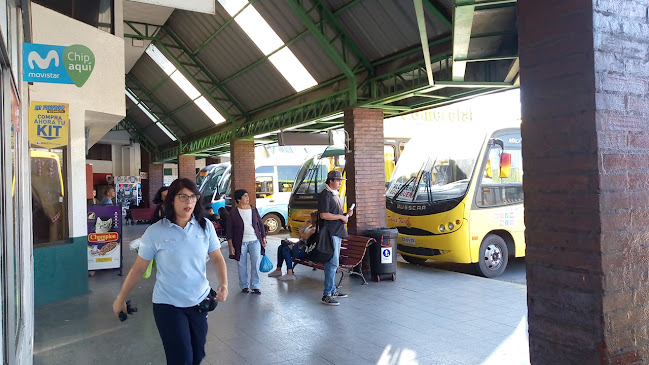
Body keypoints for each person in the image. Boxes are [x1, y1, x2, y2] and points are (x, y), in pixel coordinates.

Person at [112, 178, 228, 365]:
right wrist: (120, 298)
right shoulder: (155, 232)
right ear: (172, 200)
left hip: (200, 301)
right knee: (181, 358)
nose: (189, 201)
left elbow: (216, 257)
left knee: (197, 355)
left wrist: (224, 284)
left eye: (192, 197)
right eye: (183, 196)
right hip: (168, 304)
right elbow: (139, 268)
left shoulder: (205, 227)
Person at [318, 170, 353, 306]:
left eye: (340, 181)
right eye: (337, 180)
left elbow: (335, 215)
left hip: (337, 232)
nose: (339, 183)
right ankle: (327, 294)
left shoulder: (335, 194)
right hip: (330, 233)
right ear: (330, 181)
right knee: (332, 263)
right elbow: (324, 215)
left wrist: (346, 214)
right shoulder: (325, 195)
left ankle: (332, 290)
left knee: (334, 263)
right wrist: (340, 216)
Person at [226, 189, 267, 295]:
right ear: (239, 199)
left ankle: (255, 286)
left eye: (248, 196)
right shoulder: (233, 213)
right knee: (241, 264)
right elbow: (229, 230)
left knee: (255, 263)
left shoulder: (253, 209)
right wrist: (231, 246)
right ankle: (244, 285)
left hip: (254, 240)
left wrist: (263, 237)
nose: (247, 198)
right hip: (240, 242)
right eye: (245, 196)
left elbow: (260, 224)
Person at [268, 210, 317, 281]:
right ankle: (278, 269)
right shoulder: (310, 227)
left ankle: (289, 273)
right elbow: (300, 236)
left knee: (286, 249)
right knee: (281, 247)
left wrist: (302, 233)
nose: (309, 218)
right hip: (300, 247)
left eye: (310, 217)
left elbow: (303, 237)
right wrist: (304, 225)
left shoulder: (314, 229)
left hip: (306, 251)